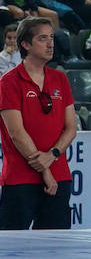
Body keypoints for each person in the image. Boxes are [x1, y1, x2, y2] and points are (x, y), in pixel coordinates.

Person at [0, 17, 77, 229]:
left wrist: (52, 156)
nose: (51, 43)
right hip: (20, 177)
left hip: (59, 175)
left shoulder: (60, 79)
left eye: (51, 37)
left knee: (55, 247)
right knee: (13, 248)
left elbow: (71, 128)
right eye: (43, 38)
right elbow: (17, 133)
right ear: (25, 44)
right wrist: (45, 171)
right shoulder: (9, 81)